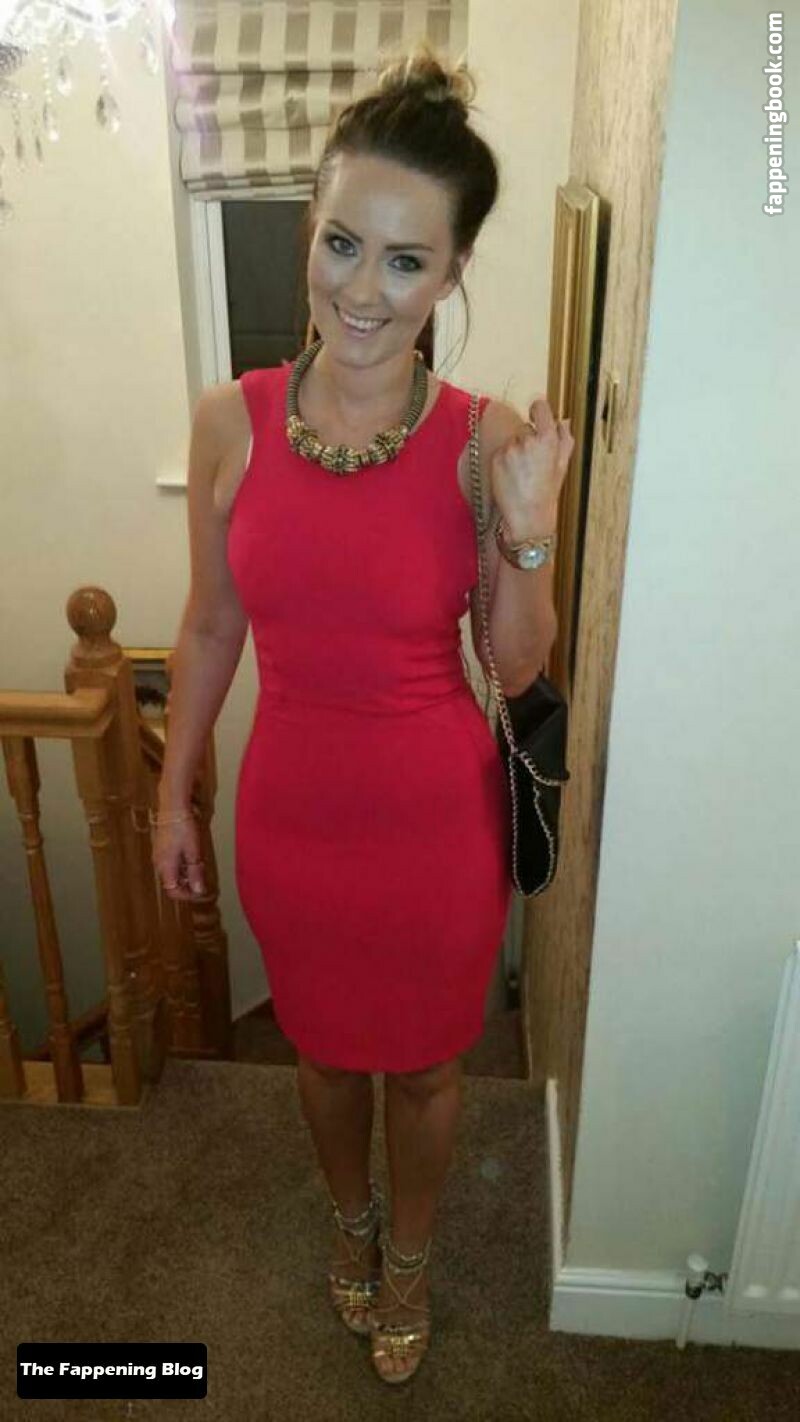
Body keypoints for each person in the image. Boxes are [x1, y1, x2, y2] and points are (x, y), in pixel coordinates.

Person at [152, 43, 573, 1387]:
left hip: (434, 823)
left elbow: (516, 666)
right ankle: (349, 1219)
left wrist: (529, 535)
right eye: (343, 243)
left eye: (406, 261)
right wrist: (172, 793)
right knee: (325, 1058)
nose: (362, 289)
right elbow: (212, 625)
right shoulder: (230, 423)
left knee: (431, 1071)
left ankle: (412, 1257)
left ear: (451, 274)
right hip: (293, 812)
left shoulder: (480, 440)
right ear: (311, 233)